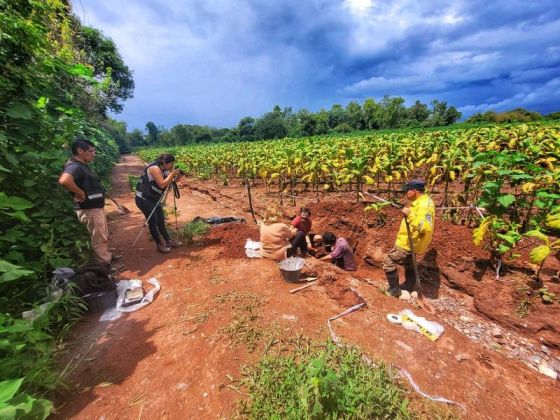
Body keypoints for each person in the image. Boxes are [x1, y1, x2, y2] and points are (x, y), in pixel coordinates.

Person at [58, 138, 124, 270]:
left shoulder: (81, 164)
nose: (94, 154)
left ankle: (107, 256)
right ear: (80, 151)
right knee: (98, 238)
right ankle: (105, 266)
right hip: (89, 209)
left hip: (94, 208)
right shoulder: (75, 166)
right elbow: (64, 180)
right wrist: (80, 193)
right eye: (91, 151)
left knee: (102, 235)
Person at [383, 179, 435, 297]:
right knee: (409, 264)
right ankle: (409, 286)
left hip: (410, 242)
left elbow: (426, 227)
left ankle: (395, 289)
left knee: (388, 260)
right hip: (411, 240)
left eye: (407, 191)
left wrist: (410, 215)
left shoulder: (424, 206)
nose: (405, 194)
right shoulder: (419, 201)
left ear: (414, 190)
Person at [135, 153, 182, 253]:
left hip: (153, 199)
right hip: (144, 199)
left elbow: (170, 183)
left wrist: (178, 176)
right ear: (164, 163)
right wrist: (171, 174)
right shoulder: (155, 169)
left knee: (161, 219)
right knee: (154, 221)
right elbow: (162, 184)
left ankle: (168, 241)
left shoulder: (164, 169)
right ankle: (159, 245)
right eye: (171, 164)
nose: (172, 166)